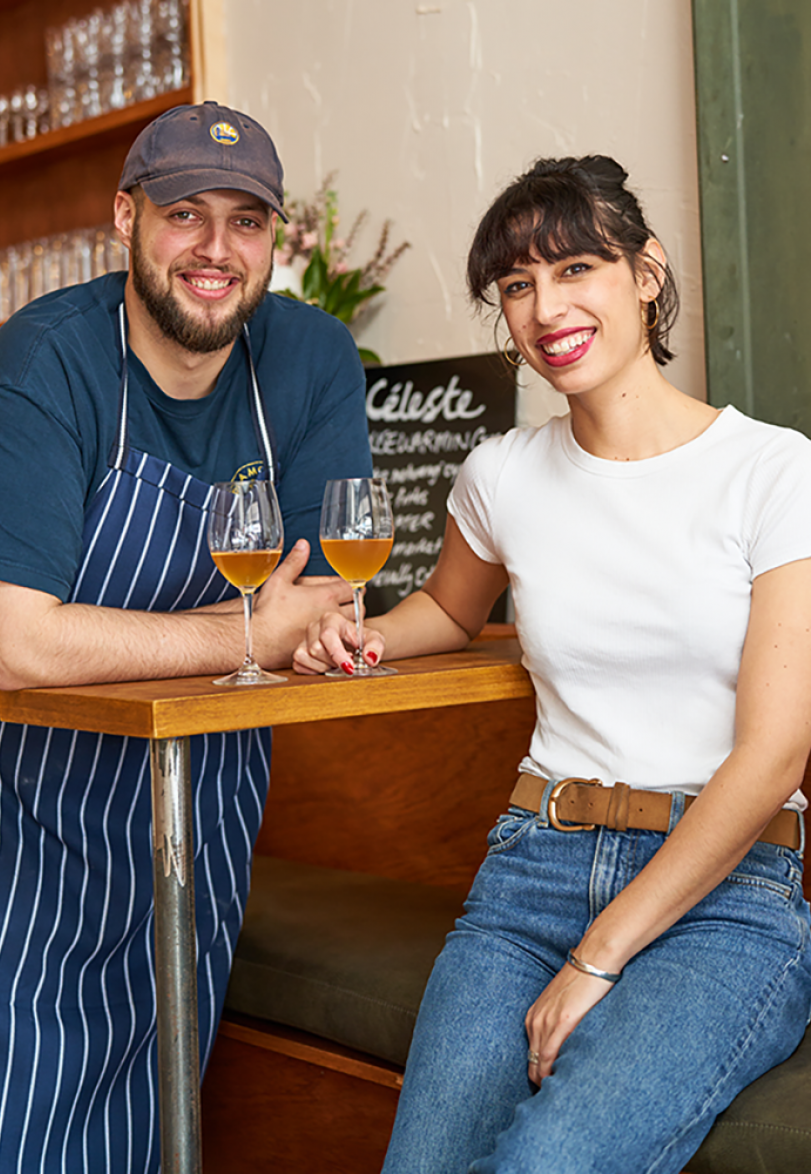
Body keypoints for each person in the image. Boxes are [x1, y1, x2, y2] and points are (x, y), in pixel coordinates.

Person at [294, 155, 811, 1174]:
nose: (544, 307)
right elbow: (448, 607)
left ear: (646, 272)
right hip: (530, 866)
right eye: (517, 286)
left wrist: (599, 952)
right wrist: (358, 636)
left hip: (730, 893)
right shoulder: (500, 473)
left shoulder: (771, 471)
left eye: (576, 268)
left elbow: (774, 753)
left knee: (545, 1164)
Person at [0, 101, 371, 1172]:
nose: (214, 249)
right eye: (184, 212)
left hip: (201, 804)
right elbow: (10, 643)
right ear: (123, 217)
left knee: (154, 1109)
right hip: (15, 813)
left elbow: (326, 600)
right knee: (1, 1111)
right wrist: (245, 626)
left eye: (245, 221)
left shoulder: (312, 357)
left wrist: (299, 629)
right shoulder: (46, 360)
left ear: (274, 240)